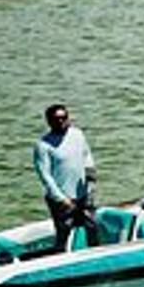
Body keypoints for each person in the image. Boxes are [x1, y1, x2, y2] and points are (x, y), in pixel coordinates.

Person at [33, 103, 96, 253]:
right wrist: (61, 199)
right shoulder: (43, 145)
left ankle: (95, 254)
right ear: (49, 121)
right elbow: (45, 176)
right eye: (56, 119)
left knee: (92, 226)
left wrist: (90, 175)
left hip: (83, 194)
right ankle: (59, 256)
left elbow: (86, 155)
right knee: (64, 232)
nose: (61, 121)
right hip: (62, 200)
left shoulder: (78, 134)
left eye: (64, 117)